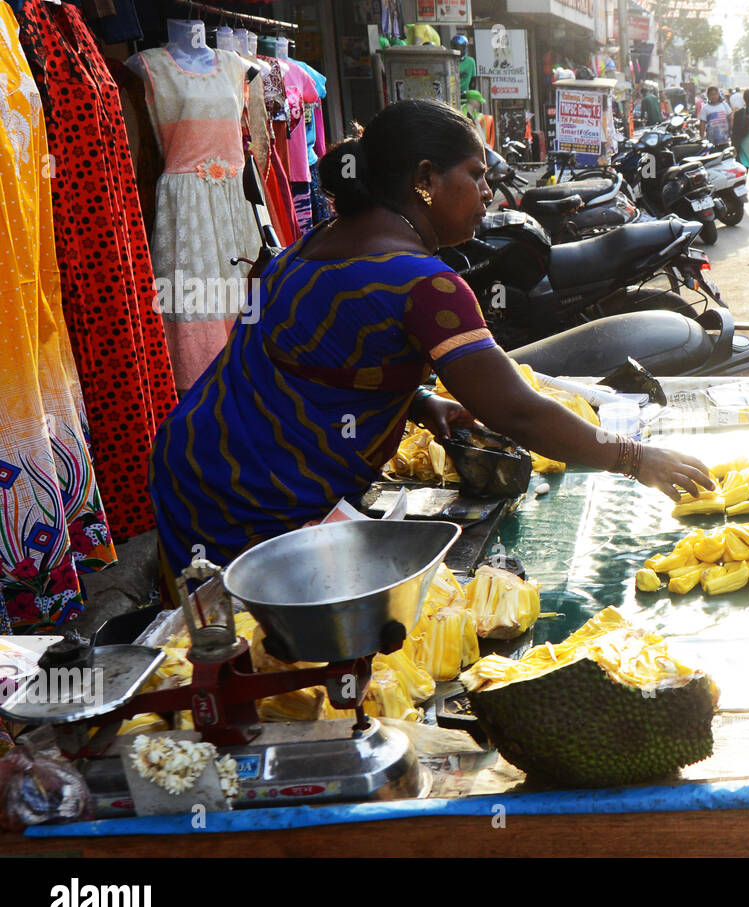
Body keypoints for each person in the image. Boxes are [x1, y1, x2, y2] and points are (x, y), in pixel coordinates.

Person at [148, 99, 713, 589]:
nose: (489, 193)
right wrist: (636, 459)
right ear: (424, 179)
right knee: (264, 653)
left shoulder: (317, 242)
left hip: (196, 458)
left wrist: (420, 401)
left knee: (231, 647)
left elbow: (319, 360)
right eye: (475, 174)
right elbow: (516, 410)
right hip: (255, 492)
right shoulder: (424, 283)